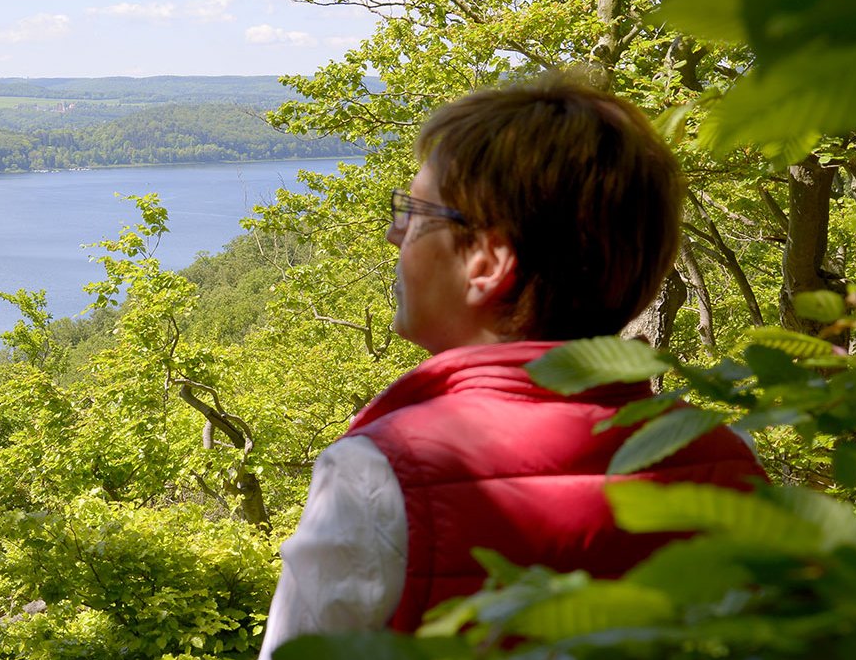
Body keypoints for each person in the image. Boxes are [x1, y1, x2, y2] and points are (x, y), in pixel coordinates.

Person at [256, 76, 767, 658]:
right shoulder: (724, 461)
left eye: (416, 214)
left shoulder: (378, 476)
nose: (395, 233)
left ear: (487, 262)